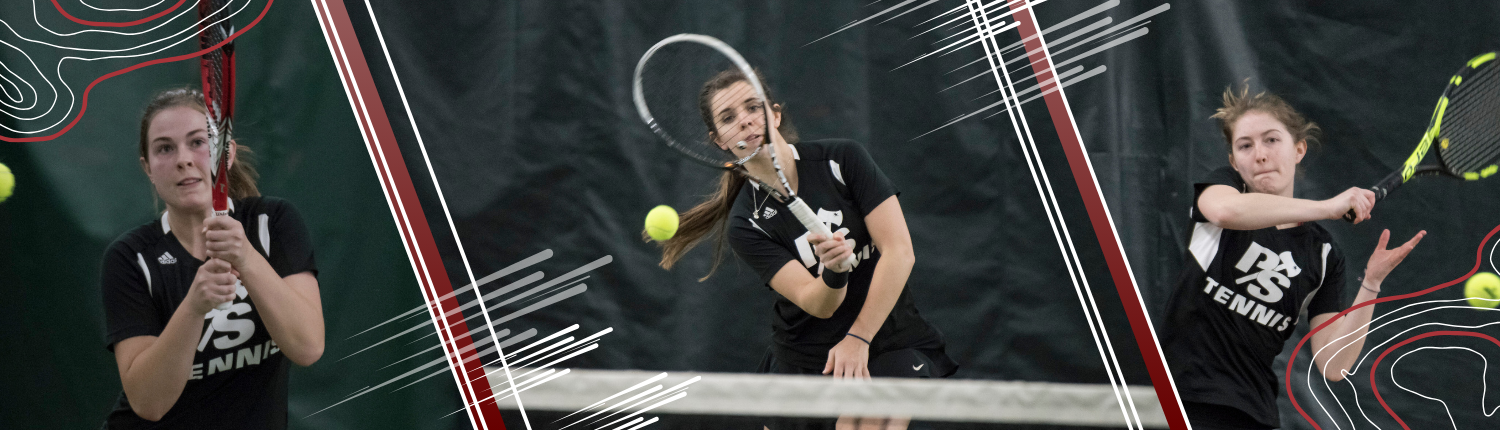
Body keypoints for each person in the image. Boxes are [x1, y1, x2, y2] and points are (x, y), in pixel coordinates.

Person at [653, 70, 957, 429]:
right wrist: (835, 271)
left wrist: (858, 337)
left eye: (753, 107)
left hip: (885, 337)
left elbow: (899, 251)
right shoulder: (746, 224)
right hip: (806, 357)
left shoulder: (842, 160)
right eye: (729, 118)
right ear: (719, 141)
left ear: (775, 114)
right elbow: (817, 303)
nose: (746, 121)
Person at [1161, 83, 1425, 429]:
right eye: (1245, 145)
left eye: (1272, 140)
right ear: (1233, 162)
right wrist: (1327, 207)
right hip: (1179, 398)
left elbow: (1333, 364)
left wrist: (1371, 285)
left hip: (1252, 413)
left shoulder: (1324, 255)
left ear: (1299, 149)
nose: (1259, 154)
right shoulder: (1223, 190)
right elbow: (1226, 211)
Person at [99, 88, 325, 429]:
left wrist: (246, 258)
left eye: (198, 142)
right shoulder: (131, 258)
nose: (183, 159)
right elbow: (148, 402)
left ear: (227, 153)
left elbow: (307, 347)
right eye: (164, 148)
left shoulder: (272, 224)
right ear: (147, 167)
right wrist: (194, 306)